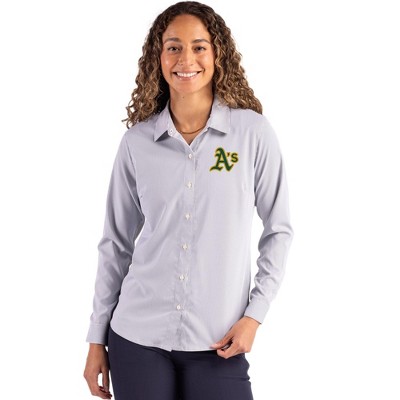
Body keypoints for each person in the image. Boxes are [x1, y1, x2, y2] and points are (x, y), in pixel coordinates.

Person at [83, 2, 294, 399]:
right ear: (158, 57)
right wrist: (97, 338)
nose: (186, 60)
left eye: (199, 47)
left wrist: (254, 316)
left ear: (217, 55)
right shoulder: (137, 143)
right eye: (173, 48)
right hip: (136, 338)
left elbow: (279, 231)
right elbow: (115, 244)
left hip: (220, 341)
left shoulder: (252, 134)